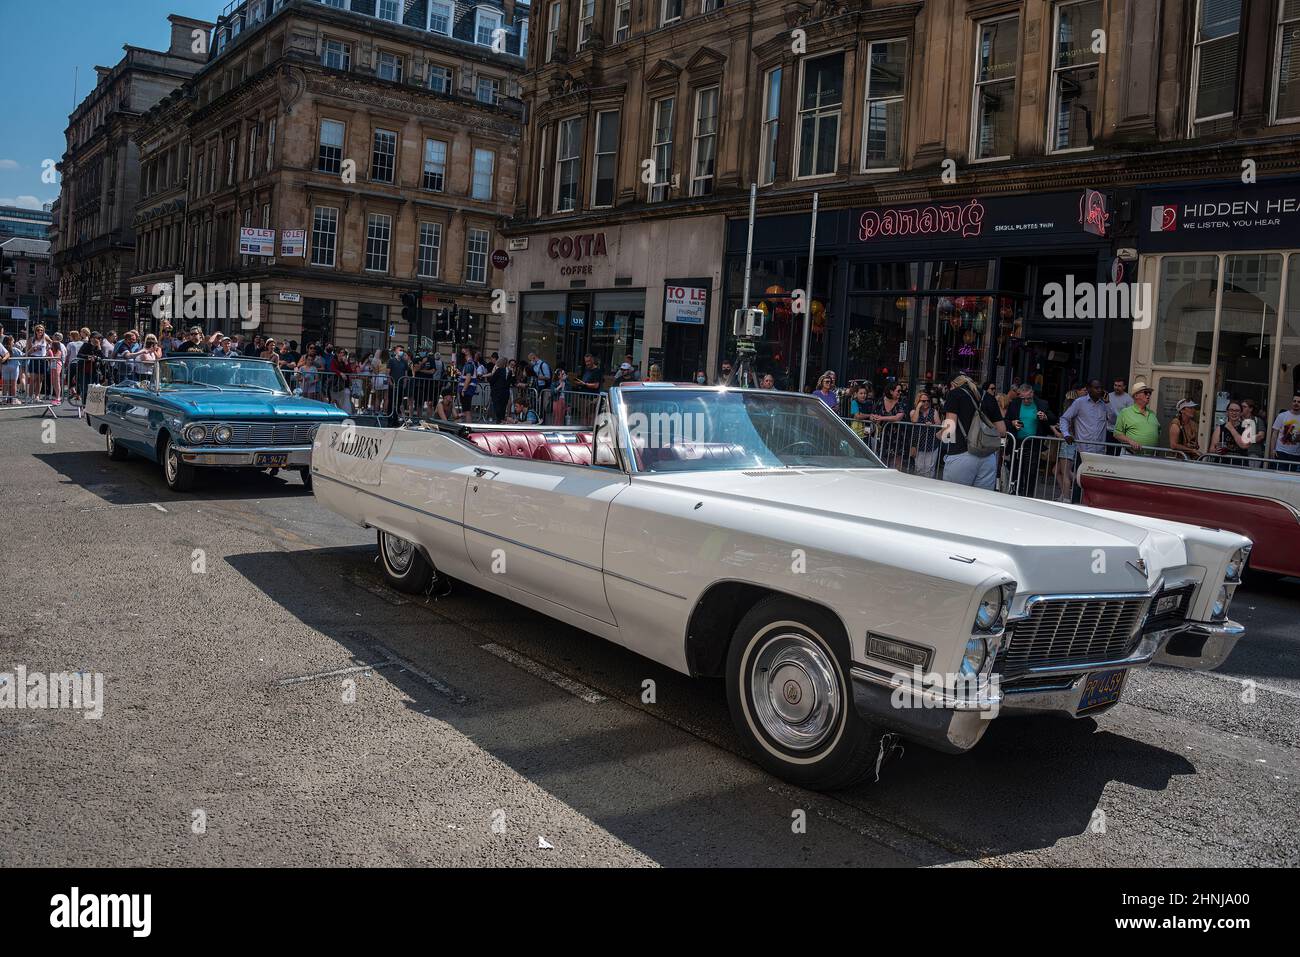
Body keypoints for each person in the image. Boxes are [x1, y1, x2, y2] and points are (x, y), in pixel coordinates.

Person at [942, 374, 1007, 489]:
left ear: (952, 385)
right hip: (988, 457)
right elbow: (1002, 431)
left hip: (961, 454)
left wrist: (941, 434)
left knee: (954, 500)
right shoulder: (988, 396)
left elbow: (949, 432)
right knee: (980, 502)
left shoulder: (954, 394)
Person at [1008, 381, 1057, 494]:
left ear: (1032, 394)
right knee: (1016, 469)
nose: (1026, 401)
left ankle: (1028, 495)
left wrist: (1045, 417)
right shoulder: (1015, 404)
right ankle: (1016, 493)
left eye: (1029, 398)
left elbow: (1054, 419)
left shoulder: (1042, 404)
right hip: (1017, 442)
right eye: (1023, 398)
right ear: (1019, 395)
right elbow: (1006, 420)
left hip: (1033, 443)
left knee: (1031, 471)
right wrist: (1013, 422)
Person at [1060, 379, 1117, 456]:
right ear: (1089, 389)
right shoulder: (1079, 402)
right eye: (1096, 388)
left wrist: (1108, 403)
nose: (1099, 390)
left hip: (1099, 451)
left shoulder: (1104, 404)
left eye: (1101, 388)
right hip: (1083, 451)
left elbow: (1113, 420)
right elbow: (1064, 418)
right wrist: (1066, 434)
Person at [1113, 381, 1159, 454]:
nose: (1148, 395)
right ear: (1136, 395)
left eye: (1150, 393)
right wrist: (1130, 441)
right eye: (1145, 392)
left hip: (1150, 457)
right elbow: (1117, 434)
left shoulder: (1152, 413)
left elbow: (1158, 432)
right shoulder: (1125, 412)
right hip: (1131, 456)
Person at [872, 381, 910, 466]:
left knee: (896, 463)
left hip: (899, 436)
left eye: (901, 391)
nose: (900, 393)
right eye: (898, 391)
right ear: (891, 391)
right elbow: (873, 414)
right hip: (883, 436)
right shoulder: (881, 400)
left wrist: (882, 418)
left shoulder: (902, 401)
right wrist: (874, 418)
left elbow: (898, 417)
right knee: (883, 462)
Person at [909, 390, 941, 477]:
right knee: (919, 468)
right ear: (918, 401)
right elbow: (914, 420)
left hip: (932, 443)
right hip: (918, 444)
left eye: (928, 401)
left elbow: (939, 424)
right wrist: (918, 408)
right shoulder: (913, 412)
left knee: (929, 469)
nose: (926, 402)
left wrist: (932, 424)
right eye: (923, 401)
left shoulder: (933, 411)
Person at [1268, 390, 1300, 470]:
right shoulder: (1282, 416)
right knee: (1279, 477)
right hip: (1281, 453)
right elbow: (1274, 434)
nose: (1296, 403)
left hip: (1296, 455)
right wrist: (1272, 450)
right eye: (1294, 401)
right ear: (1291, 402)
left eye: (1299, 402)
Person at [1239, 397, 1267, 464]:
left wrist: (1244, 438)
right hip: (1238, 453)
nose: (1241, 408)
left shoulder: (1258, 420)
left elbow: (1261, 436)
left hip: (1253, 453)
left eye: (1244, 407)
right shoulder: (1237, 420)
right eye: (1241, 406)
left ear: (1251, 409)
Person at [0, 335, 20, 404]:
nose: (14, 343)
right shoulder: (15, 349)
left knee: (5, 384)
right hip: (14, 367)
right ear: (11, 342)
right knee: (13, 384)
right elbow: (23, 355)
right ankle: (13, 399)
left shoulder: (3, 348)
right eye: (13, 341)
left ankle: (4, 399)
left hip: (5, 367)